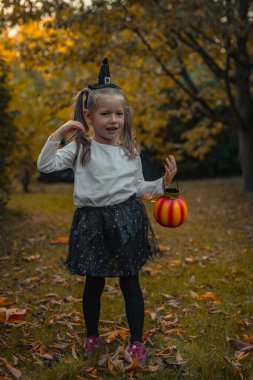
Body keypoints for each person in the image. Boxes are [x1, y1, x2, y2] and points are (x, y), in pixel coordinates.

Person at [37, 58, 177, 367]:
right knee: (94, 282)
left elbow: (139, 188)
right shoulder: (80, 148)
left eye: (119, 113)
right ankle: (92, 336)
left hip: (126, 220)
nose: (113, 120)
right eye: (105, 114)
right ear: (88, 116)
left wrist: (162, 185)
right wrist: (59, 134)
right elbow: (45, 166)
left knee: (130, 282)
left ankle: (137, 341)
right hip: (92, 222)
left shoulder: (130, 150)